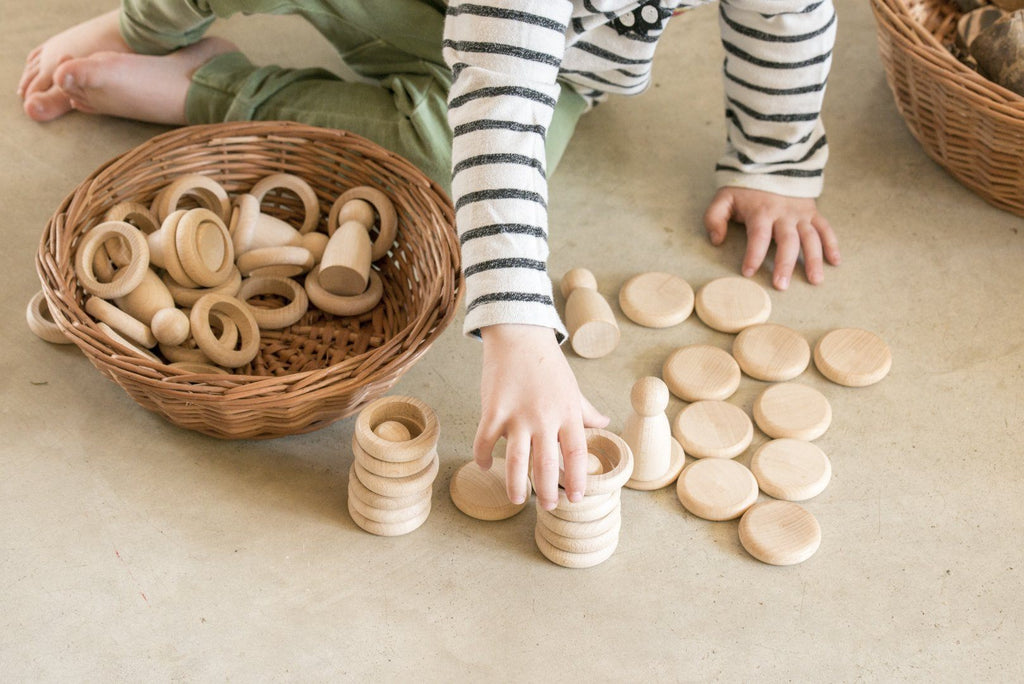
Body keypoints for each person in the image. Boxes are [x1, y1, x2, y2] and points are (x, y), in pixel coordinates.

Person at [19, 0, 840, 513]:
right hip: (454, 23)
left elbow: (789, 15)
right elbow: (497, 104)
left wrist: (773, 163)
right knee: (488, 138)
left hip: (557, 57)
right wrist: (520, 332)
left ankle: (215, 86)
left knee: (445, 159)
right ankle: (153, 23)